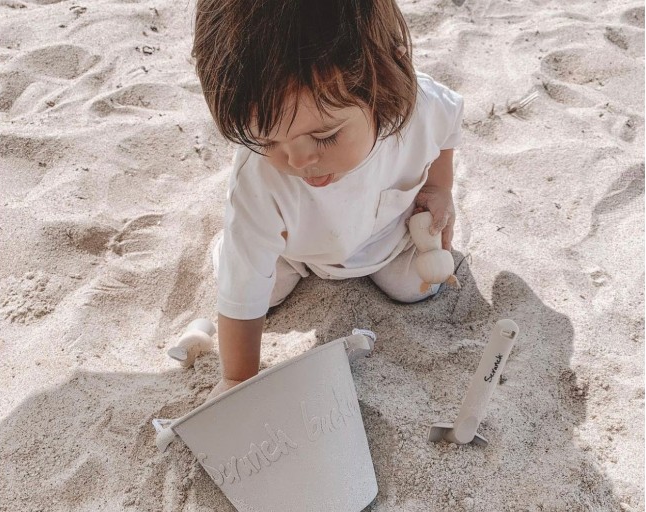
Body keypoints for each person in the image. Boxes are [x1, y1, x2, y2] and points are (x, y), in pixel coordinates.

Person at [192, 0, 464, 397]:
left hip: (387, 235)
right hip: (295, 249)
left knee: (417, 287)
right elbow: (243, 283)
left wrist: (440, 187)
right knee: (259, 293)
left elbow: (447, 129)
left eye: (324, 136)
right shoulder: (260, 176)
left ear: (390, 81)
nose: (299, 160)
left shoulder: (420, 105)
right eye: (267, 139)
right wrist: (237, 380)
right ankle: (227, 245)